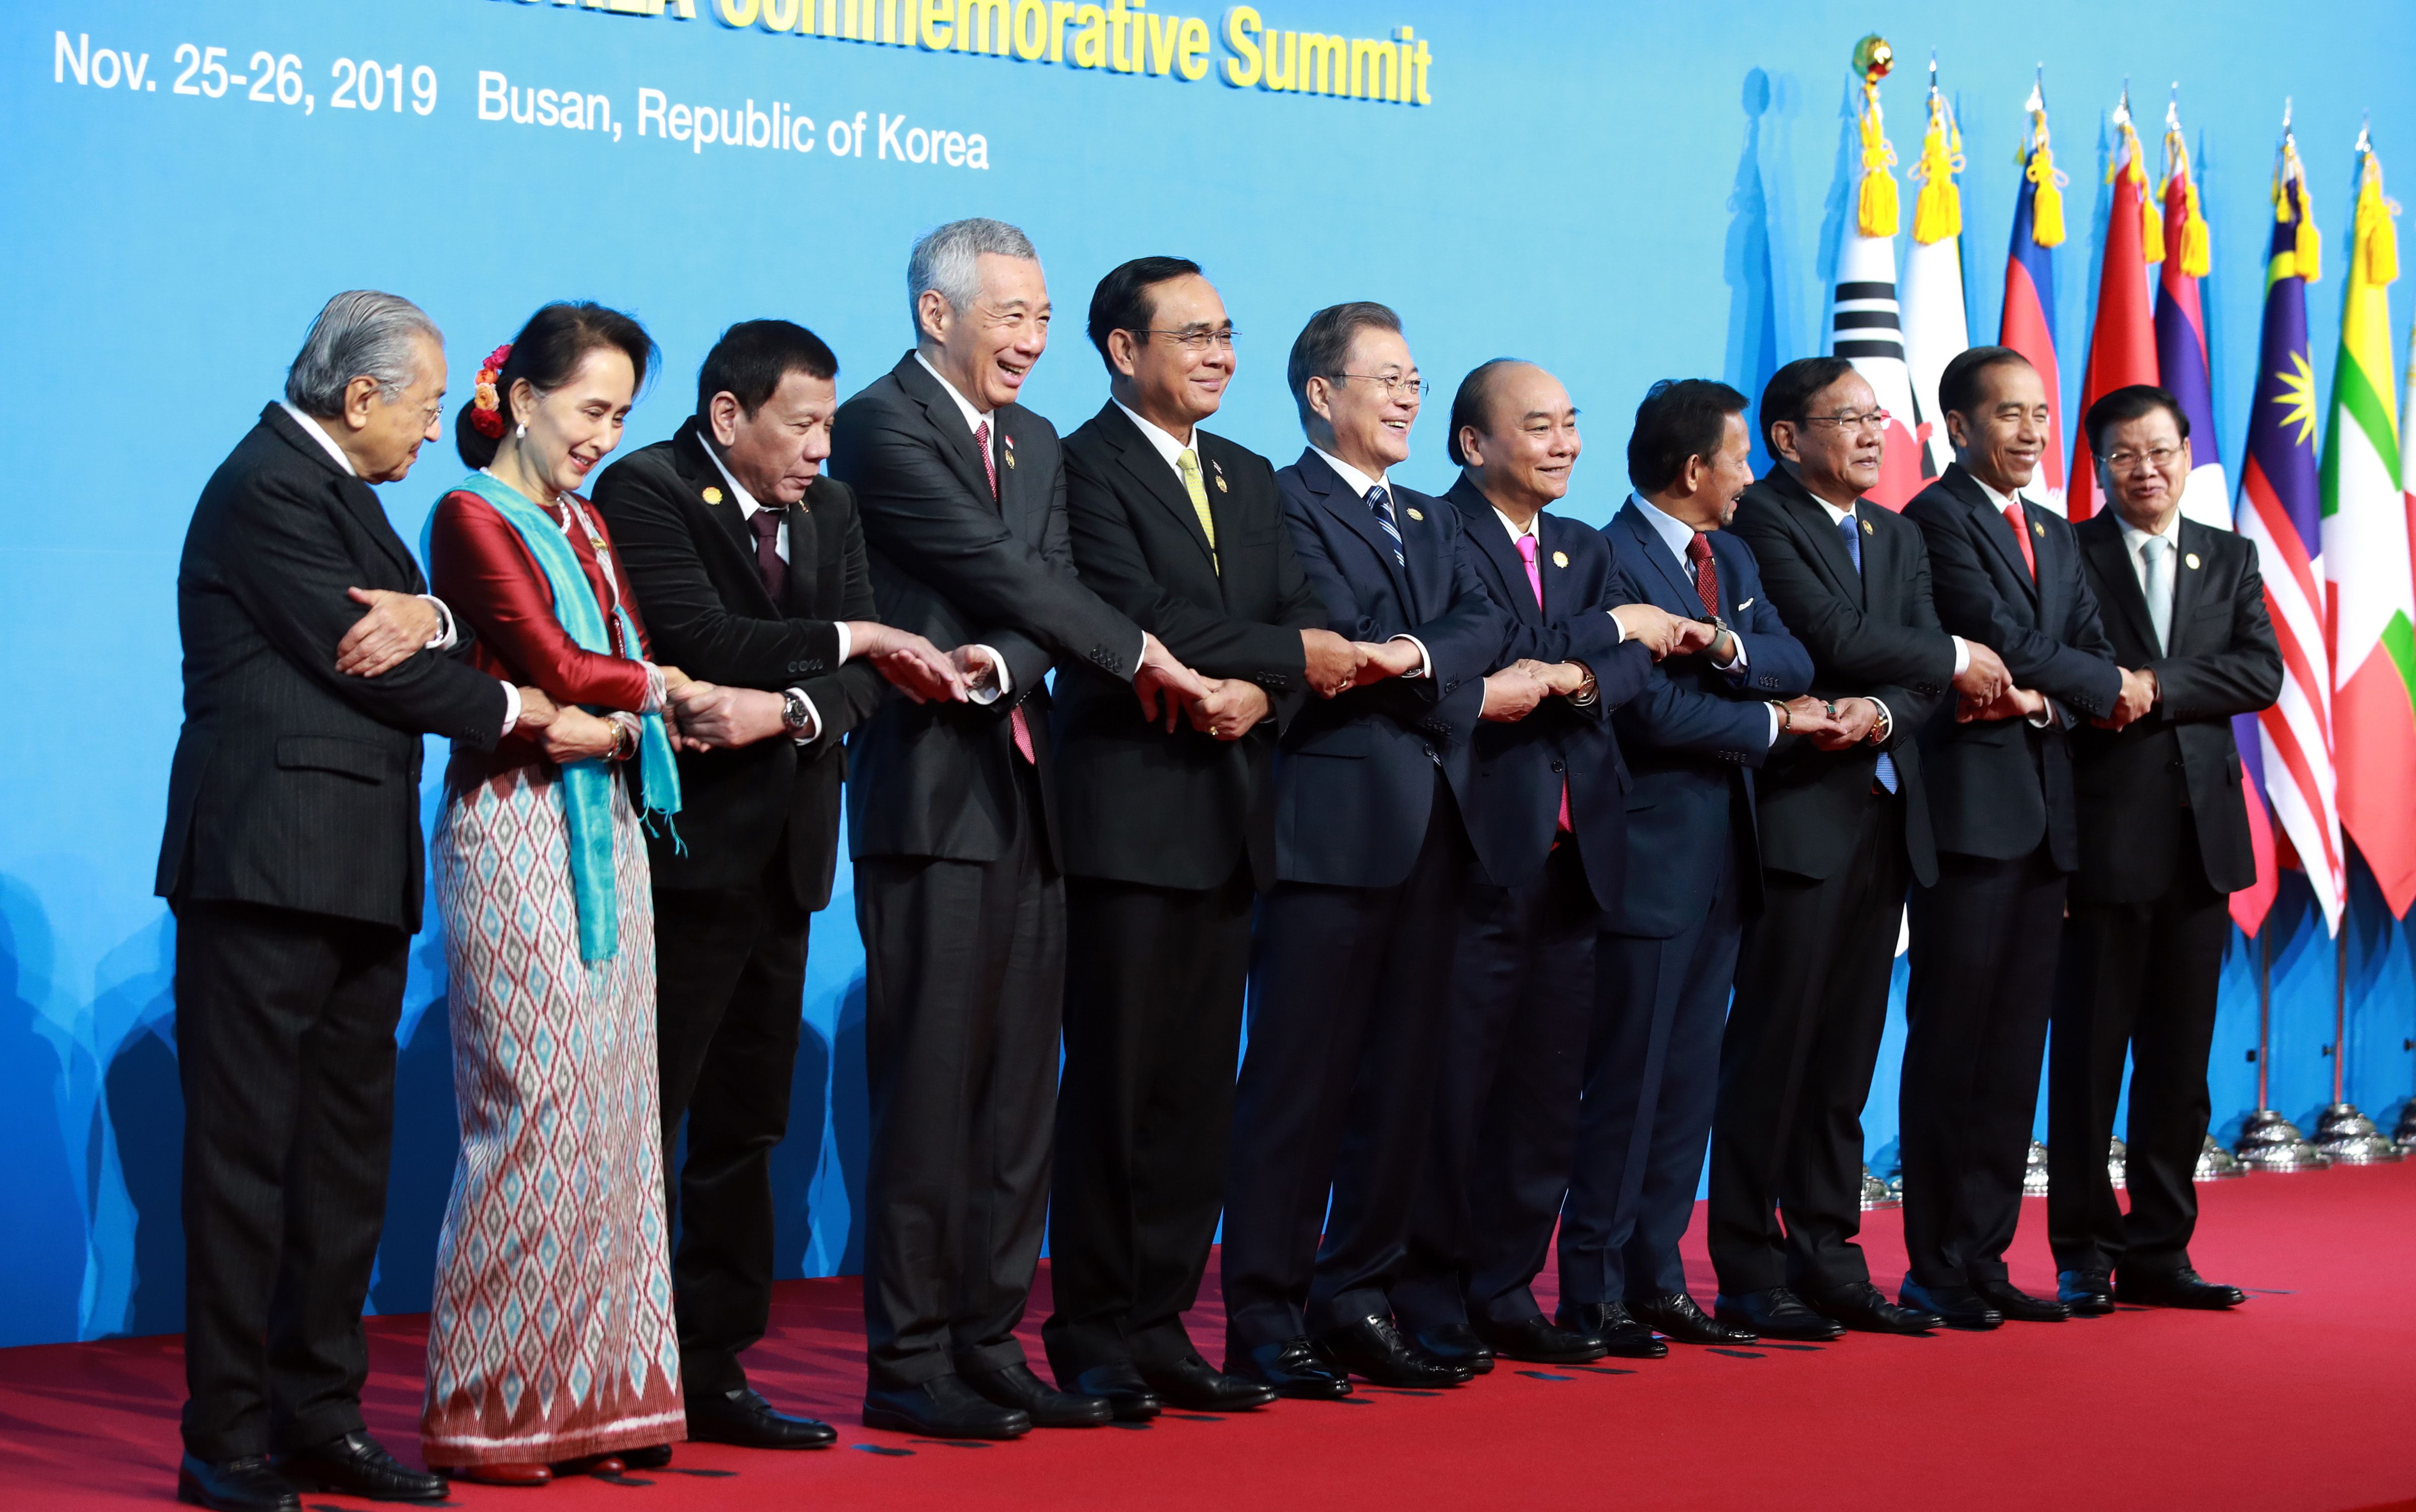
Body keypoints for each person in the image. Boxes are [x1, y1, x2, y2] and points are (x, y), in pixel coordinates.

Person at [159, 291, 553, 1512]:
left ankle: (318, 1414)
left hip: (349, 877)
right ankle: (225, 1441)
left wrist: (436, 613)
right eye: (427, 409)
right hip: (267, 872)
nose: (436, 435)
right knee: (246, 1165)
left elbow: (421, 619)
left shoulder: (348, 500)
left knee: (340, 1164)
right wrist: (523, 711)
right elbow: (369, 657)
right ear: (362, 395)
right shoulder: (268, 484)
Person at [829, 219, 1211, 1440]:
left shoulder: (1039, 439)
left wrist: (1006, 658)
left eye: (1042, 318)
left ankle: (990, 1338)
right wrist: (1135, 650)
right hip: (928, 793)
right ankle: (912, 1354)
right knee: (934, 1090)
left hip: (1022, 789)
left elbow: (1046, 590)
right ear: (938, 315)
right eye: (1011, 316)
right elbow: (987, 557)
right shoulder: (883, 423)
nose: (1032, 341)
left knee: (1014, 1101)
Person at [589, 320, 963, 1453]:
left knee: (746, 1131)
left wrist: (792, 707)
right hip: (681, 856)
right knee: (641, 1125)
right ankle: (616, 1371)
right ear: (726, 416)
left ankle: (712, 1367)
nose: (819, 448)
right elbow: (701, 635)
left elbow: (867, 684)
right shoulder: (646, 487)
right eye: (801, 425)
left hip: (790, 860)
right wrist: (850, 635)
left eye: (828, 425)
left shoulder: (833, 510)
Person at [1042, 259, 1350, 1419]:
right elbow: (1139, 616)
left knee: (1194, 1095)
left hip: (1231, 812)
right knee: (1116, 1088)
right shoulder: (1081, 463)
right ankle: (1093, 1332)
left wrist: (1264, 697)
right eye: (1194, 336)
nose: (1220, 355)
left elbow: (1295, 622)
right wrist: (1275, 668)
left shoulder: (1247, 471)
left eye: (1227, 334)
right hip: (1129, 815)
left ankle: (1165, 1320)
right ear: (1124, 352)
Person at [418, 302, 695, 1484]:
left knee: (617, 1113)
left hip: (613, 822)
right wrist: (664, 683)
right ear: (521, 397)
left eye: (623, 414)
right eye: (591, 408)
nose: (605, 433)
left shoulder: (582, 517)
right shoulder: (471, 515)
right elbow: (565, 669)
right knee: (531, 1110)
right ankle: (492, 1406)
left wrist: (636, 701)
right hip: (517, 826)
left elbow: (607, 685)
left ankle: (604, 1400)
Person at [1219, 302, 1509, 1396]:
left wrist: (1405, 654)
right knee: (1301, 1084)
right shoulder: (1275, 501)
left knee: (1402, 1084)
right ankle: (1266, 1310)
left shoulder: (1437, 518)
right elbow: (1324, 627)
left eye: (1414, 378)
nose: (1406, 396)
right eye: (1384, 378)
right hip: (1329, 832)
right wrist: (1417, 654)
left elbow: (1487, 624)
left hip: (1440, 823)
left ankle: (1358, 1296)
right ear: (1320, 393)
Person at [1712, 357, 2011, 1340]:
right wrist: (1953, 658)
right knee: (1776, 1051)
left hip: (1888, 811)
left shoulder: (1893, 528)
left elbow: (1914, 666)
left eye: (1877, 416)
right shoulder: (1764, 518)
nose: (1874, 433)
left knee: (1846, 1056)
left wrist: (1891, 704)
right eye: (1849, 419)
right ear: (1789, 438)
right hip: (1799, 816)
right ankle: (1751, 1263)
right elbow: (1829, 633)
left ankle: (1830, 1254)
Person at [1388, 360, 1679, 1371]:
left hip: (1577, 852)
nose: (1565, 445)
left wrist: (1576, 668)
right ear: (1473, 444)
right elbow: (1490, 643)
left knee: (1548, 1093)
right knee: (1453, 1087)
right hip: (1476, 850)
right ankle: (1428, 1291)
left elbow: (1641, 665)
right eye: (1540, 427)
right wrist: (1599, 640)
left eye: (1571, 425)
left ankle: (1508, 1286)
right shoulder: (1437, 530)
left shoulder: (1585, 543)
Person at [1562, 379, 1818, 1358]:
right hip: (1646, 861)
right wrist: (1768, 721)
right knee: (1626, 1085)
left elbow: (1791, 658)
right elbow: (1648, 711)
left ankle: (1658, 1277)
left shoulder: (1736, 555)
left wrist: (1719, 644)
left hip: (1725, 863)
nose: (1752, 475)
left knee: (1686, 1088)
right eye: (1741, 456)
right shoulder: (1608, 553)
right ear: (1693, 469)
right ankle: (1592, 1287)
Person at [1900, 346, 2133, 1329]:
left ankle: (1988, 1258)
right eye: (2011, 414)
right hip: (1968, 821)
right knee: (1953, 1045)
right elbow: (1997, 637)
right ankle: (1935, 1266)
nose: (2035, 432)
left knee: (2011, 1058)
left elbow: (2092, 649)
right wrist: (2076, 688)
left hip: (2046, 823)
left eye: (2042, 413)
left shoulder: (2052, 525)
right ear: (1959, 426)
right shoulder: (1934, 520)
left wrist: (2053, 694)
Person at [2051, 385, 2278, 1314]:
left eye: (2161, 452)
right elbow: (2061, 664)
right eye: (2123, 457)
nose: (2146, 471)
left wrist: (2153, 681)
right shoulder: (2070, 552)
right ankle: (2083, 1253)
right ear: (2099, 466)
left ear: (2188, 453)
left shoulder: (2228, 555)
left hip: (2202, 845)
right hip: (2106, 843)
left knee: (2180, 1070)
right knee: (2091, 1065)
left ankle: (2161, 1250)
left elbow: (2258, 670)